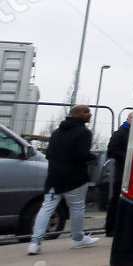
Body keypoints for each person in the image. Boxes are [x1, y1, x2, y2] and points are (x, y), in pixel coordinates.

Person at [27, 105, 99, 254]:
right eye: (86, 111)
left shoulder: (56, 132)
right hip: (75, 178)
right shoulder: (84, 132)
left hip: (54, 177)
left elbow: (50, 155)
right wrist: (93, 158)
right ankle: (78, 238)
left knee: (46, 208)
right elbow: (82, 154)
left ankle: (35, 242)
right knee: (77, 207)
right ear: (76, 114)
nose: (90, 114)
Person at [104, 110, 131, 237]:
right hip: (122, 173)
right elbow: (112, 150)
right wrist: (129, 157)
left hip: (131, 172)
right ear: (130, 118)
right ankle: (111, 228)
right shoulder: (120, 133)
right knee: (116, 200)